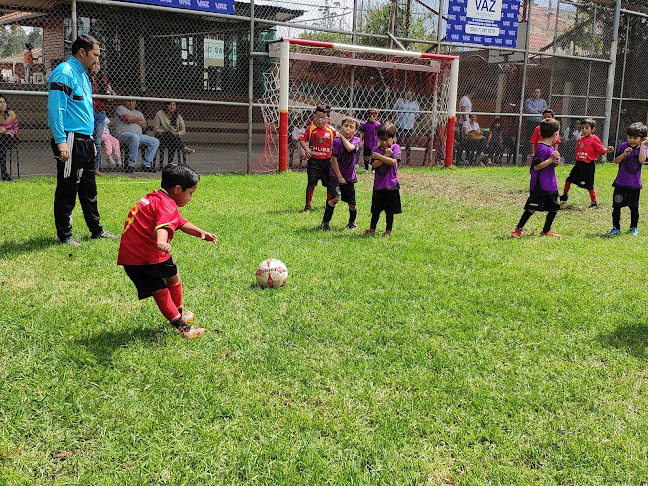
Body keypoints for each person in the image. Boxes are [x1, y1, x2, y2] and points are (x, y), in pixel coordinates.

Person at [117, 164, 217, 339]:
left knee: (159, 286)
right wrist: (161, 242)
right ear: (177, 189)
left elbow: (178, 222)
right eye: (191, 193)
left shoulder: (156, 197)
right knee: (169, 281)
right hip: (150, 255)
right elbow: (162, 226)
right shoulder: (168, 205)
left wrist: (200, 232)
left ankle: (177, 316)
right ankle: (183, 326)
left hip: (130, 257)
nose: (191, 198)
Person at [47, 34, 115, 246]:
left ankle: (97, 230)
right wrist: (61, 140)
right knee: (68, 188)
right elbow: (55, 109)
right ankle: (65, 236)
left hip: (85, 140)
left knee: (89, 188)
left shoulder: (84, 75)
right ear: (82, 52)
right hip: (70, 138)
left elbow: (84, 111)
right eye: (95, 54)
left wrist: (92, 143)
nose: (97, 59)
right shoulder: (64, 72)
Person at [511, 118, 562, 238]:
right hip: (540, 185)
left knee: (554, 208)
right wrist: (551, 160)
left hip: (551, 185)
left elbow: (550, 165)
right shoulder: (542, 148)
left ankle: (546, 230)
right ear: (555, 134)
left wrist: (556, 162)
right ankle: (518, 230)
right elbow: (537, 166)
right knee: (531, 208)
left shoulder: (550, 148)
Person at [559, 118, 614, 209]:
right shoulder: (580, 139)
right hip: (579, 164)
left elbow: (601, 150)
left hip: (588, 165)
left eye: (587, 128)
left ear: (592, 129)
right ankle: (564, 195)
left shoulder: (594, 139)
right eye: (582, 128)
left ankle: (594, 203)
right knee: (569, 179)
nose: (584, 130)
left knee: (589, 185)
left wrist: (607, 150)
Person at [321, 116, 361, 231]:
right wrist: (339, 176)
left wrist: (342, 137)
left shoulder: (356, 141)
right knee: (334, 199)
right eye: (345, 126)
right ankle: (325, 222)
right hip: (335, 175)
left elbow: (349, 148)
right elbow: (333, 159)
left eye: (351, 127)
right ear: (341, 127)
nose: (348, 129)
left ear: (356, 131)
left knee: (352, 204)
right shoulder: (336, 142)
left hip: (349, 177)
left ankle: (352, 221)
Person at [609, 122, 648, 236]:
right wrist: (624, 155)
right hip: (620, 183)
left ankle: (633, 227)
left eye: (635, 138)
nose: (632, 140)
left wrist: (642, 146)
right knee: (616, 207)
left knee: (634, 208)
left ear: (642, 139)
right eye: (630, 137)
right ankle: (616, 227)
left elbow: (641, 160)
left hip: (634, 184)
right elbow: (615, 161)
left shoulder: (644, 148)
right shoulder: (623, 146)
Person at [365, 122, 401, 237]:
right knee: (375, 210)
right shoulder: (376, 149)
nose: (384, 142)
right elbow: (374, 165)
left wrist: (381, 156)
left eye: (387, 139)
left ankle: (388, 230)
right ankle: (372, 228)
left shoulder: (395, 148)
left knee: (389, 211)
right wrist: (385, 156)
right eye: (381, 139)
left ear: (393, 137)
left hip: (391, 186)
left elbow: (393, 162)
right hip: (378, 186)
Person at [299, 104, 336, 212]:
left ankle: (328, 203)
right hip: (313, 161)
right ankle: (307, 205)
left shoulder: (332, 131)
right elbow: (302, 139)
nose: (320, 119)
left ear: (328, 119)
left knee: (329, 184)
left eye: (323, 117)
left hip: (327, 161)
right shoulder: (311, 129)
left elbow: (338, 141)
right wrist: (307, 149)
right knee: (311, 183)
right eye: (317, 116)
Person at [114, 99, 159, 173]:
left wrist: (132, 119)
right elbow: (127, 119)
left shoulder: (138, 112)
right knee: (134, 137)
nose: (131, 103)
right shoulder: (120, 108)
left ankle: (146, 164)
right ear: (124, 101)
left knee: (155, 141)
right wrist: (138, 119)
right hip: (123, 134)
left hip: (139, 135)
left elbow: (144, 125)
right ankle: (130, 165)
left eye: (133, 101)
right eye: (129, 101)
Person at [90, 60, 116, 173]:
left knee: (97, 141)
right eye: (94, 64)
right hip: (89, 112)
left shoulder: (103, 80)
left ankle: (95, 168)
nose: (96, 66)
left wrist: (110, 94)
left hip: (100, 113)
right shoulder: (85, 78)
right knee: (87, 140)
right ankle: (87, 167)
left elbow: (111, 95)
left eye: (98, 64)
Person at [393, 88, 420, 165]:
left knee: (407, 142)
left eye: (410, 91)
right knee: (397, 141)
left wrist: (410, 117)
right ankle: (395, 157)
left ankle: (408, 159)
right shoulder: (400, 101)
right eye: (407, 91)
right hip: (399, 124)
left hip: (409, 125)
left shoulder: (415, 103)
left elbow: (417, 115)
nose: (408, 93)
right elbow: (395, 110)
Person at [522, 88, 548, 162]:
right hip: (531, 123)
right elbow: (530, 110)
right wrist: (540, 112)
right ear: (533, 93)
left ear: (540, 93)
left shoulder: (543, 101)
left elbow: (545, 110)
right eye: (535, 92)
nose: (537, 93)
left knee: (541, 140)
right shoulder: (528, 101)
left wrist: (538, 109)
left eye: (538, 92)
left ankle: (540, 159)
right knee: (528, 141)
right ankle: (524, 161)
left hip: (540, 124)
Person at [0, 95, 18, 181]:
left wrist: (6, 130)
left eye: (4, 102)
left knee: (5, 137)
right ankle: (4, 173)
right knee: (2, 148)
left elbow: (15, 130)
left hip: (9, 138)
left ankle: (3, 172)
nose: (3, 104)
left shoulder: (11, 114)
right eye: (0, 102)